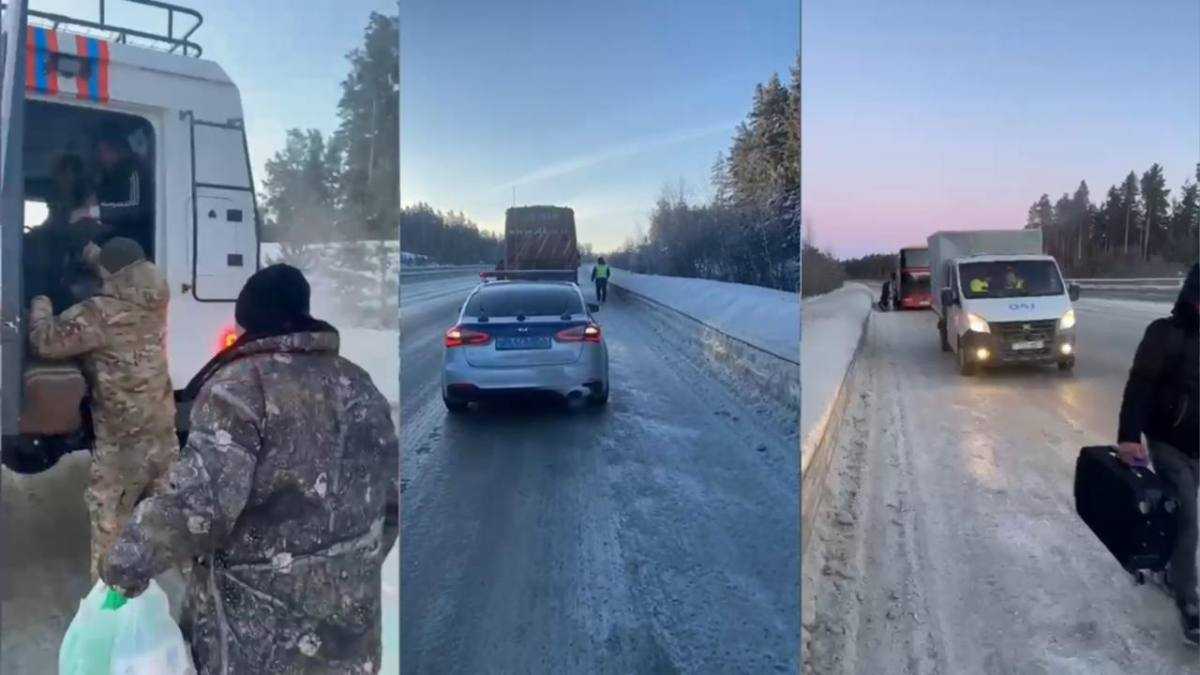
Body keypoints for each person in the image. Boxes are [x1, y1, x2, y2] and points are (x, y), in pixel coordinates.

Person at [101, 264, 400, 673]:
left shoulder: (240, 389)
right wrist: (336, 571)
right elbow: (389, 505)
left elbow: (198, 508)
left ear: (247, 322)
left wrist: (126, 565)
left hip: (260, 643)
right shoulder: (359, 385)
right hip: (349, 638)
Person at [27, 237, 178, 583]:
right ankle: (177, 600)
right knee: (165, 521)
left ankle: (110, 613)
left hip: (123, 442)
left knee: (110, 525)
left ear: (112, 276)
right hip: (162, 432)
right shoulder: (156, 297)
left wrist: (41, 299)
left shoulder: (98, 314)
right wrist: (94, 253)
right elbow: (119, 267)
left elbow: (45, 341)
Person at [1117, 262, 1199, 646]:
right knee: (1186, 518)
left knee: (1180, 515)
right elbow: (1140, 386)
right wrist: (1129, 436)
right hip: (1171, 443)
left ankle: (1168, 566)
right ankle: (1189, 600)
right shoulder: (1164, 334)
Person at [23, 154, 111, 311]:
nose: (63, 183)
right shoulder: (46, 234)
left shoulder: (89, 231)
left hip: (82, 304)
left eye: (67, 176)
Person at [84, 126, 152, 253]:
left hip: (133, 249)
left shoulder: (133, 171)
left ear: (116, 150)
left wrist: (93, 211)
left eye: (102, 151)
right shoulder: (107, 179)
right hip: (113, 246)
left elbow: (135, 208)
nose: (99, 157)